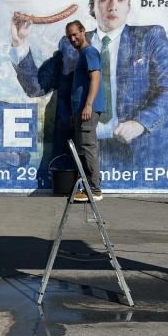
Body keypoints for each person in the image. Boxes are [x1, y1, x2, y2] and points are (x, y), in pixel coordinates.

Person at [10, 0, 168, 167]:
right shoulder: (70, 46)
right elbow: (35, 87)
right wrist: (19, 42)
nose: (112, 5)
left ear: (128, 6)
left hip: (137, 150)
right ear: (92, 7)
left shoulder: (150, 37)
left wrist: (140, 123)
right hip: (84, 147)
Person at [66, 20, 104, 202]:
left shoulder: (89, 52)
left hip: (89, 110)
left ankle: (95, 191)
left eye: (75, 34)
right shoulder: (82, 55)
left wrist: (88, 104)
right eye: (69, 36)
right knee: (83, 148)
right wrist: (76, 112)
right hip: (81, 112)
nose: (73, 38)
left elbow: (95, 78)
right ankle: (88, 189)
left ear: (83, 32)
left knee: (88, 148)